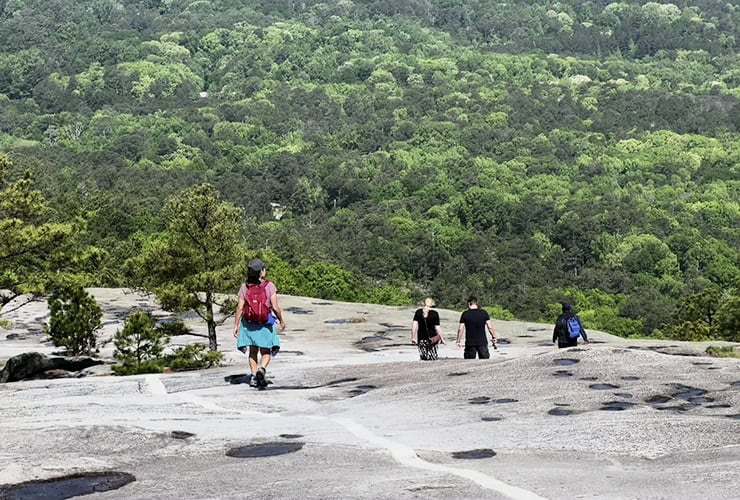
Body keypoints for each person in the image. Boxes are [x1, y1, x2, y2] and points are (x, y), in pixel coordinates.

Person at [233, 258, 286, 388]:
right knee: (266, 351)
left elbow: (240, 307)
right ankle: (261, 369)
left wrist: (236, 325)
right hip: (264, 322)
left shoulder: (244, 287)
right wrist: (281, 320)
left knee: (252, 351)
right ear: (261, 272)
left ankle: (253, 376)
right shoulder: (269, 286)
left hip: (249, 323)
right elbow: (275, 307)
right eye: (264, 269)